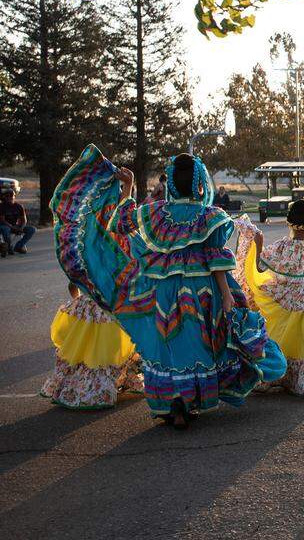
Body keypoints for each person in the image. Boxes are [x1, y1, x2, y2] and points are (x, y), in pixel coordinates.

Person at [51, 146, 286, 429]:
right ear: (200, 182)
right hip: (202, 293)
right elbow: (217, 260)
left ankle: (174, 403)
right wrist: (227, 295)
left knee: (168, 345)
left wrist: (128, 189)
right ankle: (188, 401)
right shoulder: (211, 216)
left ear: (172, 181)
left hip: (162, 291)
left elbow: (118, 224)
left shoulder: (156, 213)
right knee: (198, 345)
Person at [241, 197, 304, 398]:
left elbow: (261, 267)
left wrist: (258, 243)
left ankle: (280, 373)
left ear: (289, 223)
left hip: (287, 300)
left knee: (284, 336)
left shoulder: (281, 246)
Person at [41, 281, 144, 409]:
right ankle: (109, 385)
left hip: (89, 309)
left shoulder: (86, 261)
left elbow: (73, 283)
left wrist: (78, 301)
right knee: (110, 350)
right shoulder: (117, 263)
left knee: (86, 349)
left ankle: (85, 388)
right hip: (111, 308)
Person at [0, 187, 35, 255]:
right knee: (5, 229)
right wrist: (12, 227)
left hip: (15, 226)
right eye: (7, 196)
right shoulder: (1, 206)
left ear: (14, 196)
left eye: (11, 195)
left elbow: (24, 219)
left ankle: (19, 246)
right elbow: (2, 220)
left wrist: (21, 227)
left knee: (32, 229)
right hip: (4, 226)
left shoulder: (19, 206)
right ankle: (9, 247)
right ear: (4, 197)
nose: (9, 197)